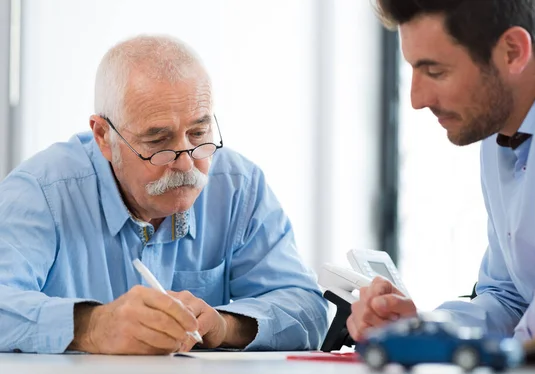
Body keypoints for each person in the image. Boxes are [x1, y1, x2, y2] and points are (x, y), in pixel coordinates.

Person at [0, 35, 328, 354]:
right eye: (158, 141)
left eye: (199, 133)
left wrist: (224, 326)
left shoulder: (237, 186)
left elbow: (308, 309)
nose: (186, 162)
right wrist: (93, 326)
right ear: (103, 136)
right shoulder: (41, 192)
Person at [348, 0, 535, 342]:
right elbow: (510, 298)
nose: (416, 99)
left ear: (513, 51)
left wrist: (475, 355)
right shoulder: (501, 130)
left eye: (435, 71)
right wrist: (421, 329)